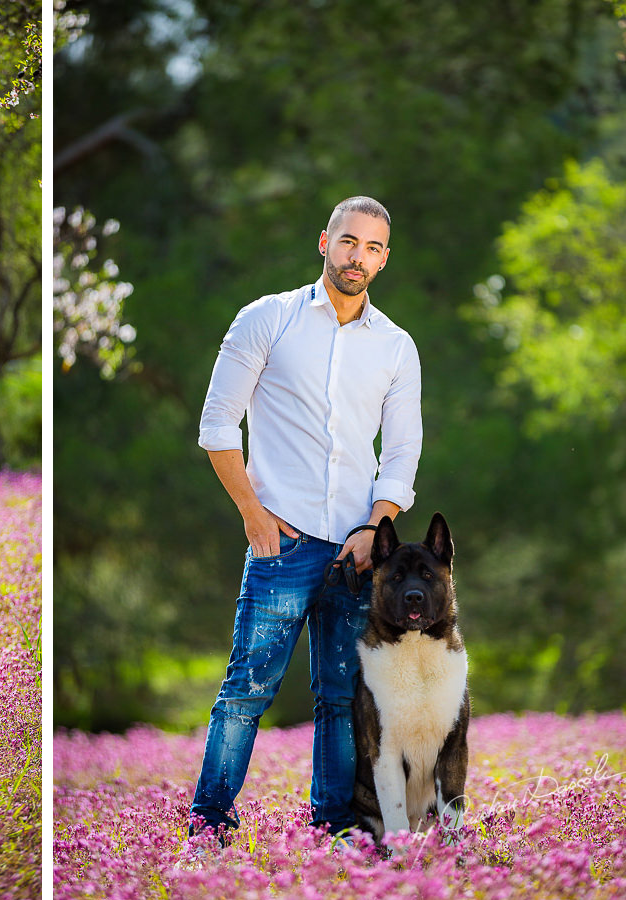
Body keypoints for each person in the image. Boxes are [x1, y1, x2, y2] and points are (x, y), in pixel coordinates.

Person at [189, 196, 422, 844]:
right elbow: (215, 426)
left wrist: (374, 529)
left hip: (355, 553)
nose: (358, 257)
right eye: (348, 242)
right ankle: (208, 824)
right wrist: (251, 515)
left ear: (383, 257)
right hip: (280, 544)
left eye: (372, 247)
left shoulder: (396, 348)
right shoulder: (267, 319)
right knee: (245, 690)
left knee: (340, 700)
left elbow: (400, 453)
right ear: (324, 242)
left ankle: (333, 828)